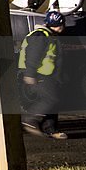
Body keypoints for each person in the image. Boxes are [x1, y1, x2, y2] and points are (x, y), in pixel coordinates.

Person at [18, 9, 67, 140]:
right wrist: (29, 74)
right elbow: (33, 56)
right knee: (51, 99)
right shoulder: (40, 36)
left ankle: (51, 130)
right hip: (40, 75)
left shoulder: (50, 36)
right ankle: (30, 119)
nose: (61, 27)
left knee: (55, 102)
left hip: (48, 75)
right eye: (58, 25)